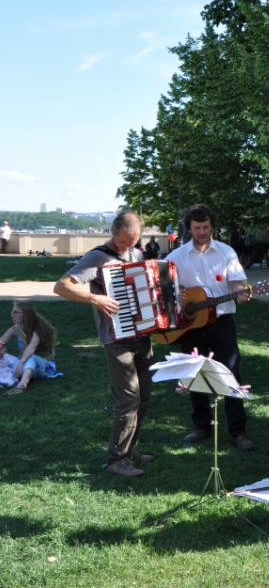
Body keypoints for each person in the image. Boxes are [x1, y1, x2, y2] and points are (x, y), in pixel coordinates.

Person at [54, 212, 154, 478]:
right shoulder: (96, 257)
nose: (127, 248)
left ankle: (129, 450)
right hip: (116, 338)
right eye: (123, 242)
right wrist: (95, 299)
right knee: (128, 398)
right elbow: (62, 287)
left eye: (132, 242)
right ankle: (116, 459)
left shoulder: (137, 255)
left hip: (142, 336)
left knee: (144, 396)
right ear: (113, 231)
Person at [164, 204, 255, 451]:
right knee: (194, 373)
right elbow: (161, 288)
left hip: (222, 322)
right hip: (190, 325)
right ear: (189, 228)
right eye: (197, 228)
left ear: (212, 226)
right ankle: (202, 426)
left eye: (205, 227)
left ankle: (238, 431)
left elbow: (237, 284)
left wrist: (241, 293)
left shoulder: (226, 252)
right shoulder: (175, 257)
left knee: (232, 373)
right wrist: (177, 295)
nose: (202, 232)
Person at [0, 301, 62, 396]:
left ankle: (21, 386)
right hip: (24, 366)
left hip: (44, 367)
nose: (12, 315)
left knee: (31, 357)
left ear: (26, 314)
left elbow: (31, 348)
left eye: (16, 312)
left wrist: (21, 363)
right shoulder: (16, 328)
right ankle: (6, 380)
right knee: (4, 356)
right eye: (12, 312)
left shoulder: (39, 328)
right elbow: (1, 342)